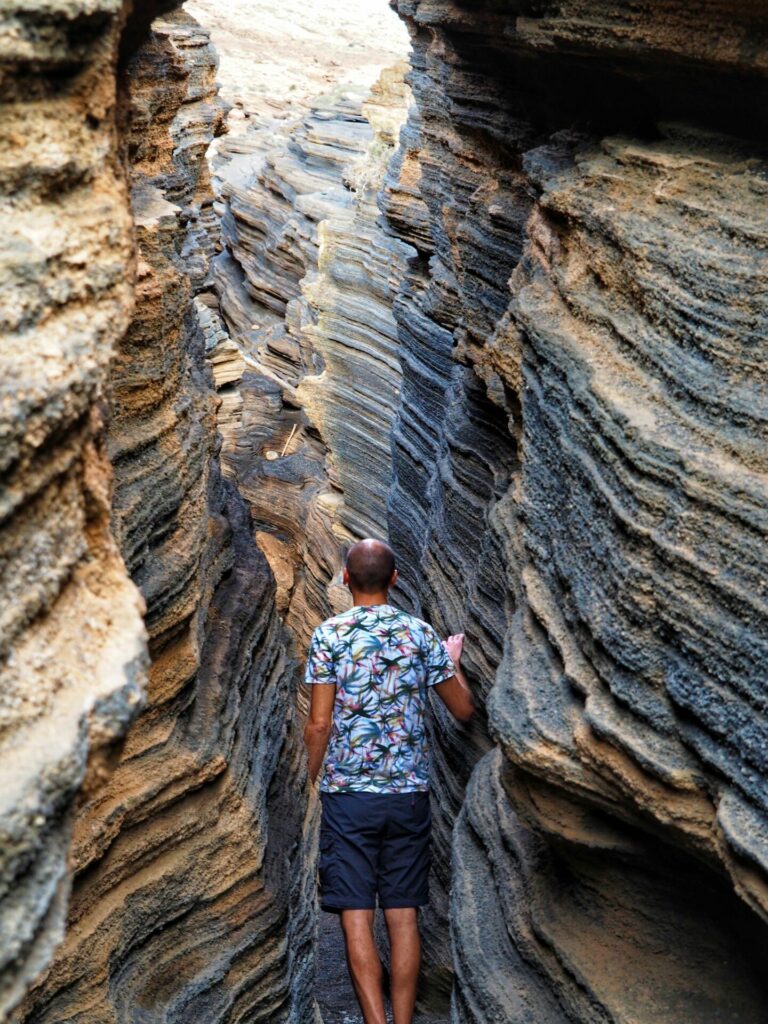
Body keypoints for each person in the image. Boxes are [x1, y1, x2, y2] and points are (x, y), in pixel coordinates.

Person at [303, 538, 475, 1024]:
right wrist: (452, 664)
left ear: (345, 578)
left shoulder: (330, 636)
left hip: (348, 798)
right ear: (395, 579)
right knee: (404, 915)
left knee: (355, 912)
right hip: (409, 796)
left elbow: (319, 724)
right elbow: (463, 710)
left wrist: (308, 780)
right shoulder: (420, 636)